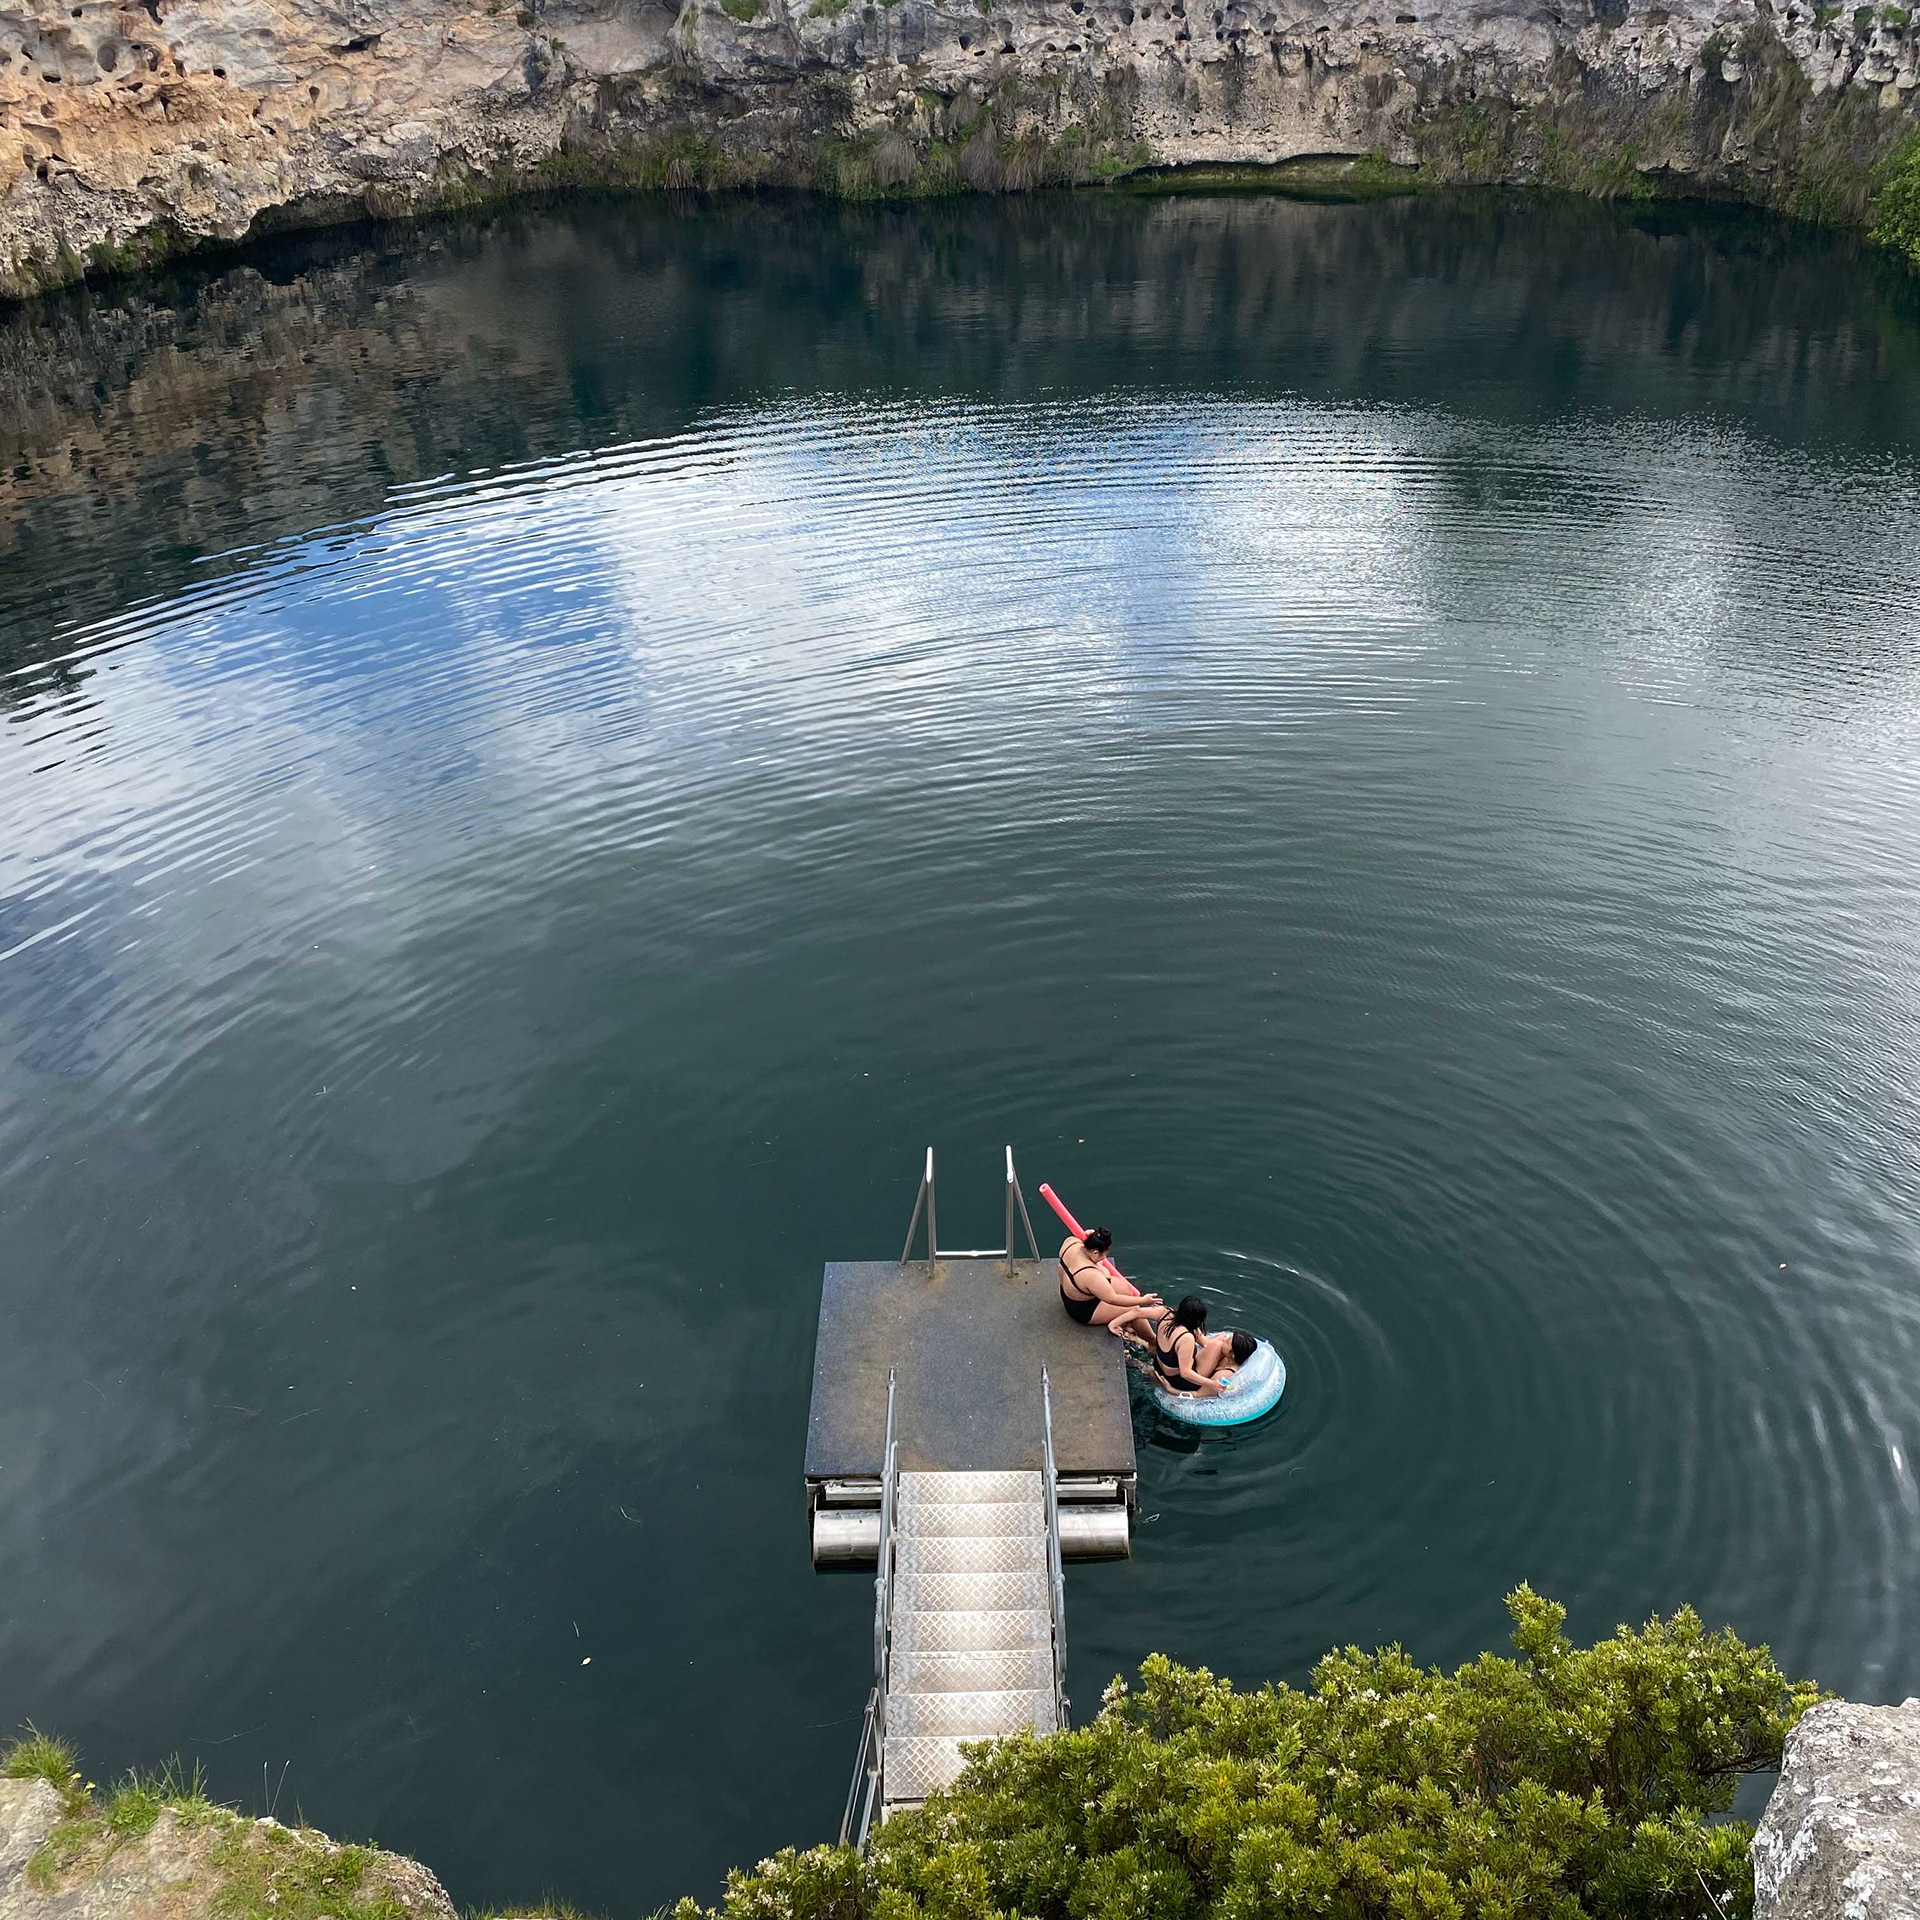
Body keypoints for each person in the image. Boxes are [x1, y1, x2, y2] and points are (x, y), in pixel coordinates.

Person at [1058, 1228, 1161, 1339]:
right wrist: (1144, 1301)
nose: (1104, 1258)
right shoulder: (1091, 1275)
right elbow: (1112, 1298)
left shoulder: (1071, 1242)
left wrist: (1088, 1234)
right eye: (1103, 1255)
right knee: (1134, 1309)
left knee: (1125, 1289)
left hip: (1073, 1290)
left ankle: (1127, 1322)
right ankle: (1152, 1341)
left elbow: (1084, 1237)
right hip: (1084, 1310)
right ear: (1095, 1252)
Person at [1149, 1295, 1235, 1397]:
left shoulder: (1169, 1319)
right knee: (1218, 1342)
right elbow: (1187, 1374)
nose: (1225, 1339)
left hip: (1163, 1369)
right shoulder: (1186, 1336)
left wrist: (1170, 1389)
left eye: (1227, 1343)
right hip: (1178, 1378)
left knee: (1218, 1342)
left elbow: (1199, 1394)